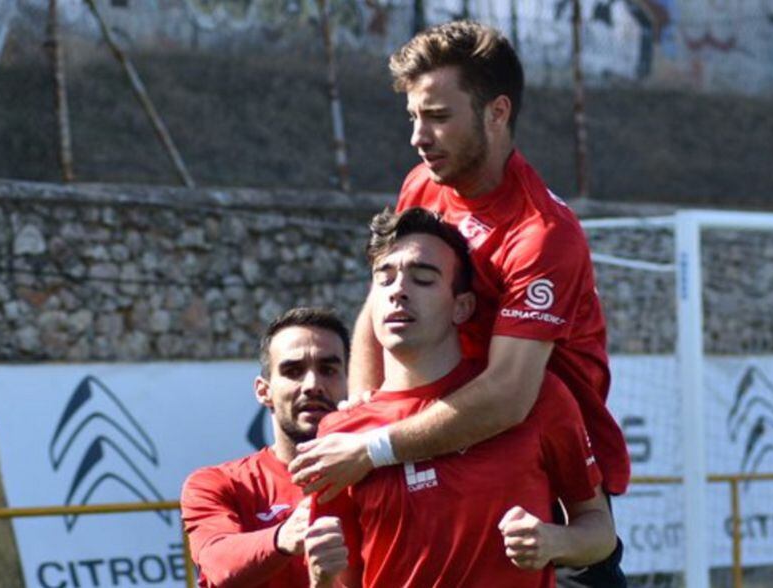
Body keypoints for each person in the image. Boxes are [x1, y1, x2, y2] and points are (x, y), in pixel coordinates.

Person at [288, 20, 629, 586]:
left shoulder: (542, 233)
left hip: (537, 462)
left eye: (439, 118)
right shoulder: (421, 184)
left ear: (497, 113)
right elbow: (378, 301)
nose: (419, 137)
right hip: (423, 435)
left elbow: (508, 398)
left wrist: (371, 447)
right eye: (414, 117)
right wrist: (364, 410)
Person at [303, 208, 614, 588]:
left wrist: (554, 540)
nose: (398, 290)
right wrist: (320, 579)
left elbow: (600, 531)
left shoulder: (539, 397)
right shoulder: (340, 436)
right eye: (384, 280)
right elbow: (343, 581)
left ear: (462, 306)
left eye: (422, 279)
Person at [180, 308, 350, 588]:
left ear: (350, 384)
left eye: (328, 370)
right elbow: (217, 563)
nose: (313, 385)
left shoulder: (374, 478)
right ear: (263, 391)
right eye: (293, 371)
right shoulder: (218, 484)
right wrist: (283, 536)